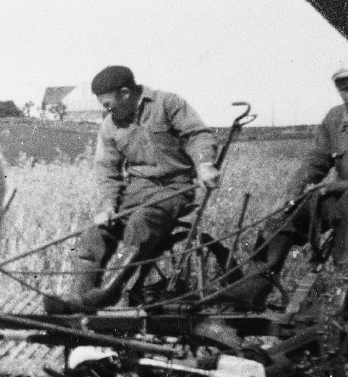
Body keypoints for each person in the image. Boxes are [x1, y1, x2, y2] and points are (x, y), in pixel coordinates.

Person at [45, 65, 221, 314]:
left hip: (173, 190)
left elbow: (198, 135)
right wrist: (107, 207)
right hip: (135, 192)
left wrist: (204, 164)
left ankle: (105, 294)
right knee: (94, 233)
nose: (106, 110)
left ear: (126, 93)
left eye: (107, 104)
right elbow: (107, 170)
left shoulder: (166, 104)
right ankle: (76, 299)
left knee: (141, 223)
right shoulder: (110, 126)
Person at [220, 66, 348, 310]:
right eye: (342, 87)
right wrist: (293, 195)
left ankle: (342, 292)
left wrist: (337, 185)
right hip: (339, 199)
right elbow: (315, 162)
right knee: (281, 220)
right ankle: (253, 289)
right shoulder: (335, 119)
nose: (347, 92)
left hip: (344, 199)